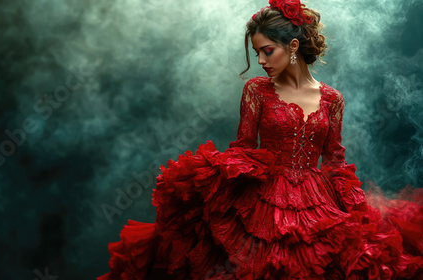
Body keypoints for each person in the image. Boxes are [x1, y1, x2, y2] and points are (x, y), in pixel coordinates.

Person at [97, 0, 423, 279]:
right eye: (257, 53)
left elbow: (335, 159)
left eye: (267, 51)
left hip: (318, 201)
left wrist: (352, 204)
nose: (262, 62)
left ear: (293, 47)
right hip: (263, 201)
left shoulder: (332, 98)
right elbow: (243, 148)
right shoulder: (256, 90)